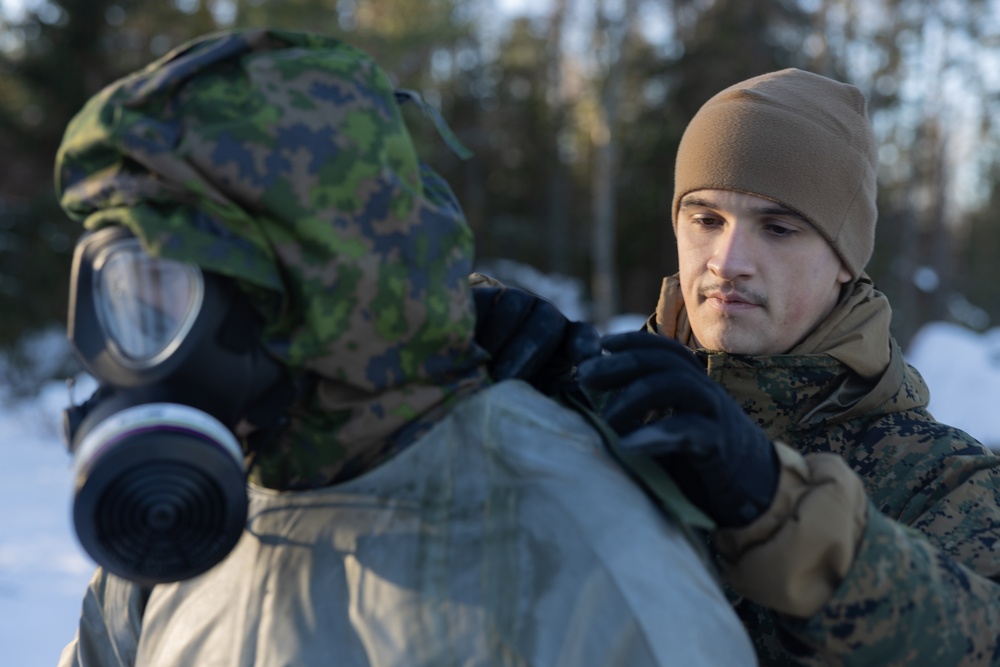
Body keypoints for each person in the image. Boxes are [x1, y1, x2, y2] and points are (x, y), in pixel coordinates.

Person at [53, 28, 758, 666]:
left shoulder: (585, 554)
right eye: (126, 300)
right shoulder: (171, 542)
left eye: (171, 296)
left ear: (316, 282)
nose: (134, 354)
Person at [569, 69, 1000, 664]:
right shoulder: (594, 406)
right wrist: (464, 329)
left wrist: (789, 518)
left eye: (777, 228)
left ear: (845, 260)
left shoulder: (940, 478)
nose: (728, 262)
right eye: (706, 219)